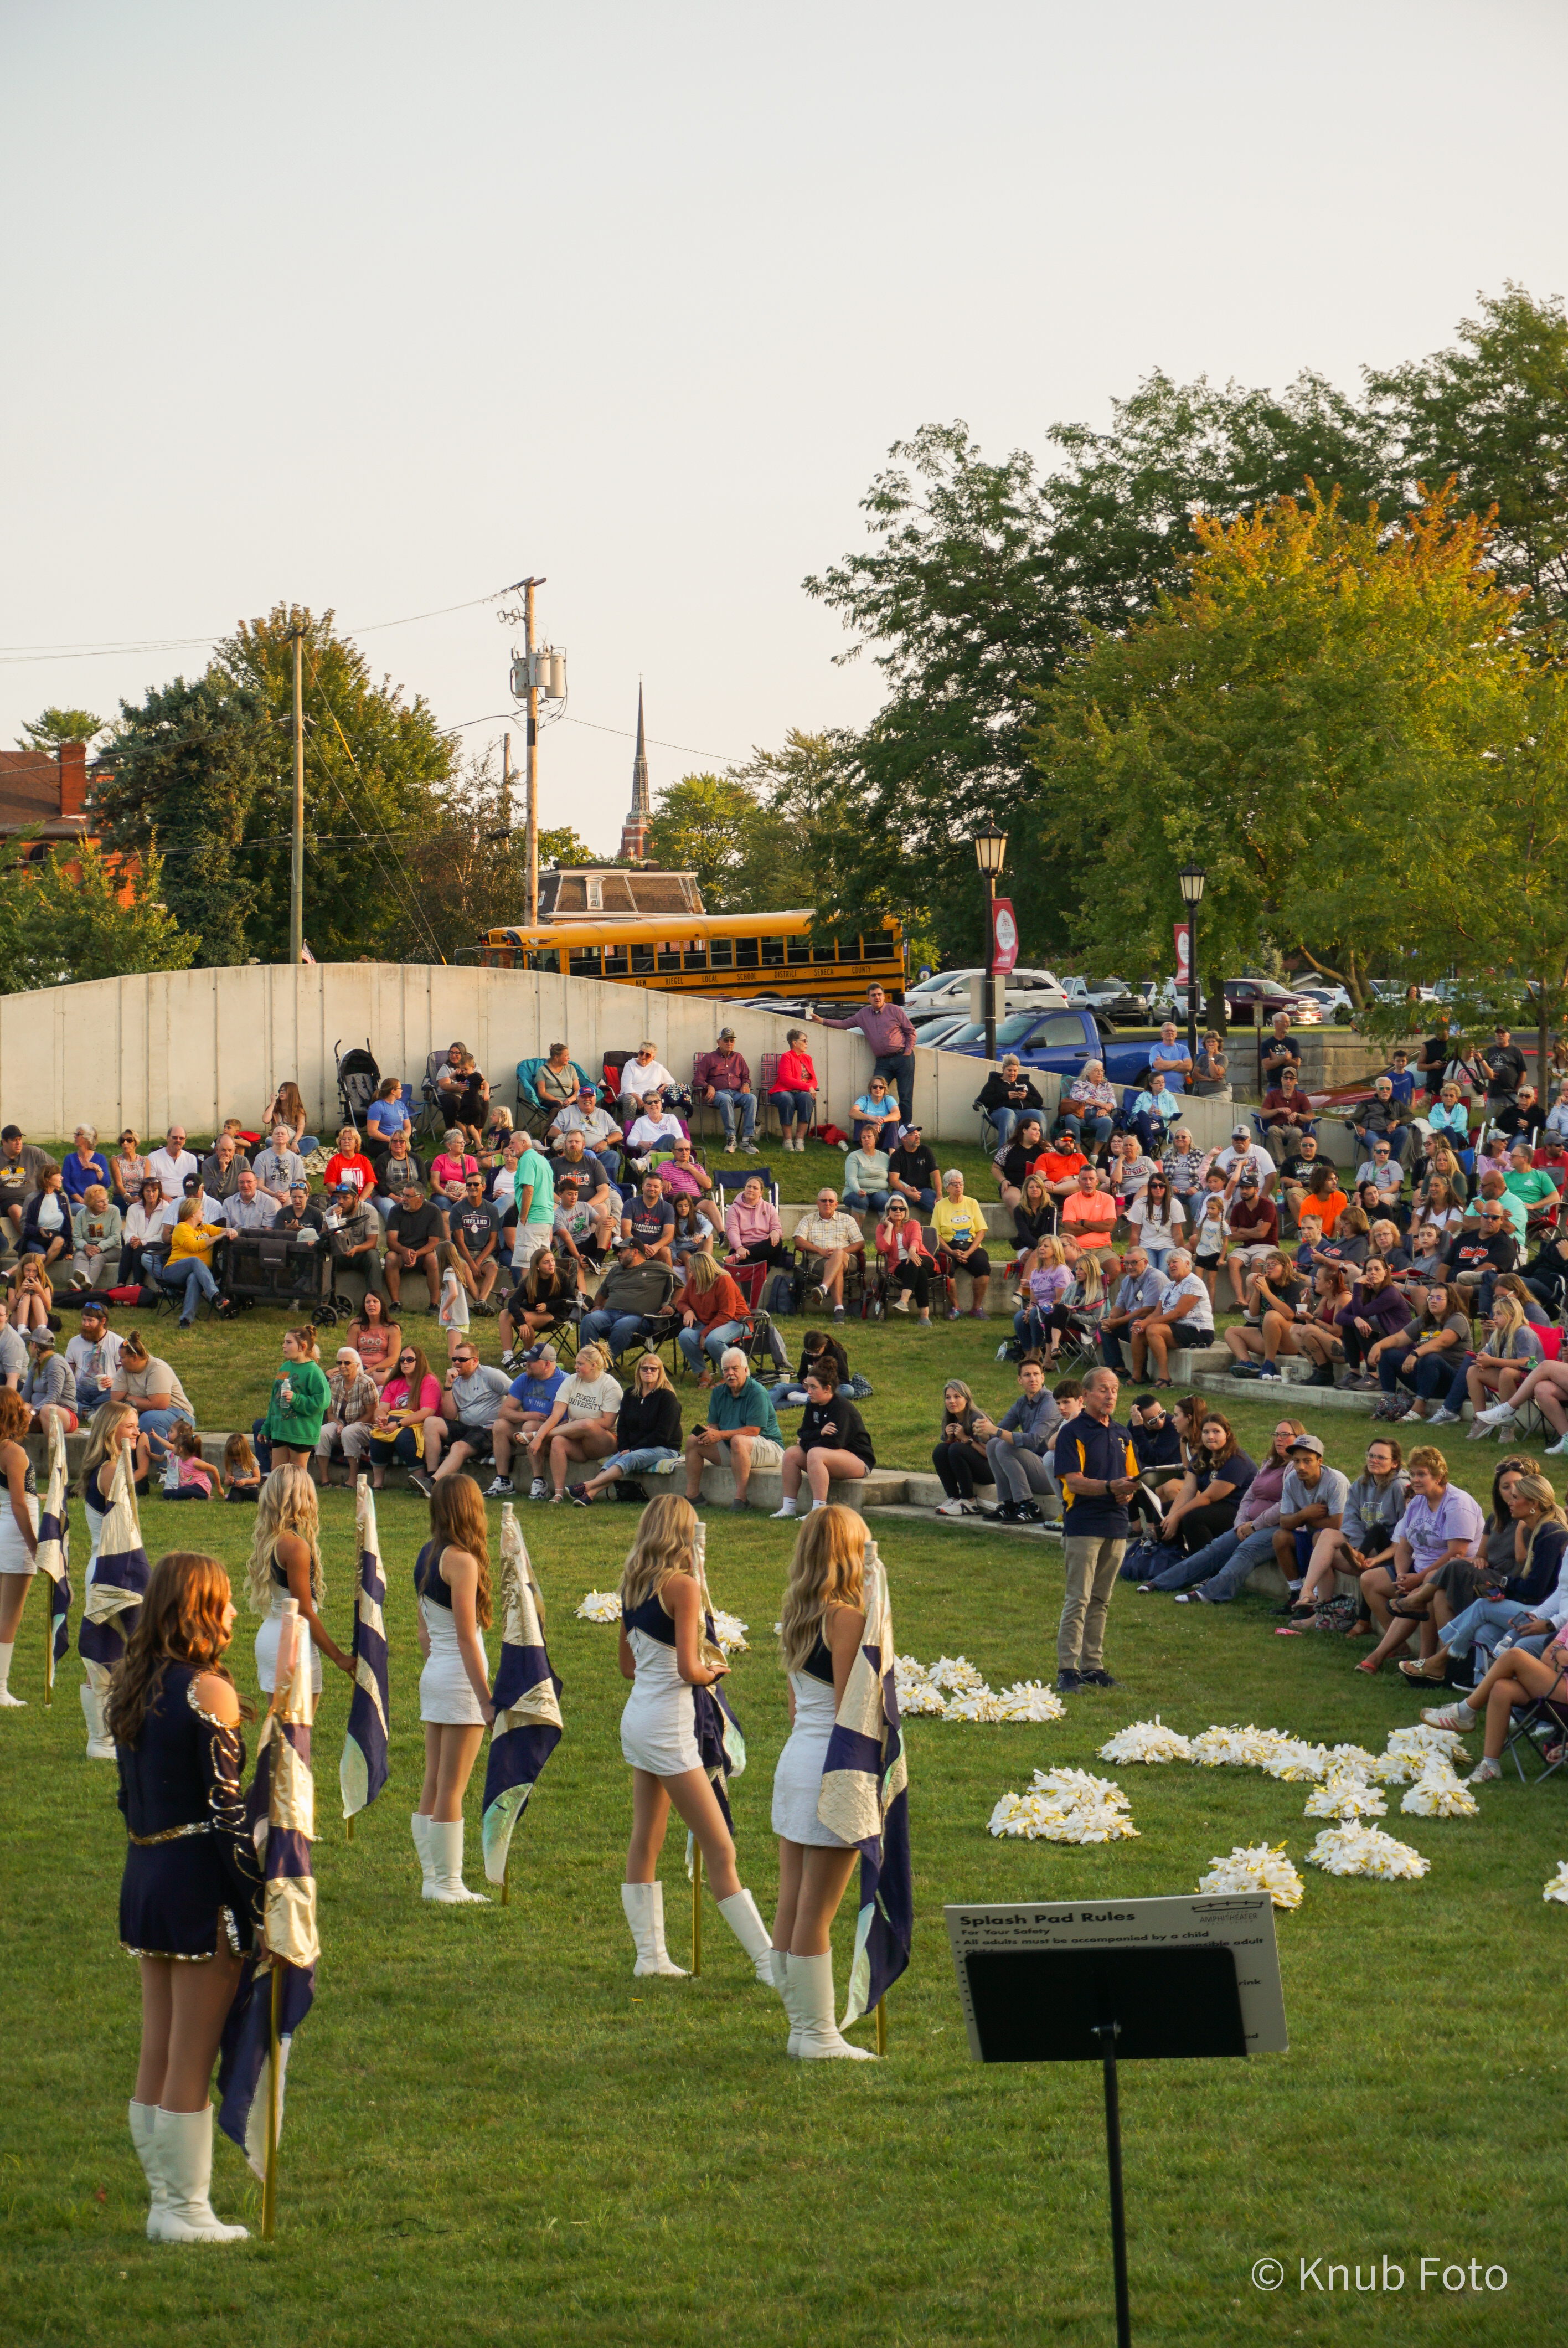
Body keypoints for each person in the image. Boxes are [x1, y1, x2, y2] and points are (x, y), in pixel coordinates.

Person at [108, 1550, 265, 2243]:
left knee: (159, 2045)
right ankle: (184, 2209)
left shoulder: (135, 1682)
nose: (233, 1613)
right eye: (224, 1602)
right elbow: (230, 1819)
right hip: (199, 1889)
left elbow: (127, 1799)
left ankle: (163, 2201)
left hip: (145, 1874)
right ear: (197, 1608)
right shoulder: (208, 1690)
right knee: (192, 2054)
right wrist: (262, 1904)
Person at [617, 1493, 776, 1986]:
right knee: (720, 1849)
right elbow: (690, 1667)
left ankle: (651, 1957)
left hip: (639, 1719)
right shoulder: (682, 1587)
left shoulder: (633, 1583)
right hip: (668, 1727)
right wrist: (714, 1672)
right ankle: (770, 1965)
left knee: (646, 1837)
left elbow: (627, 1666)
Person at [770, 1504, 886, 2058]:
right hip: (832, 1762)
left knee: (792, 1901)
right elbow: (851, 1707)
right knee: (816, 1911)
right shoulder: (845, 1617)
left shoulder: (802, 1607)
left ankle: (801, 2028)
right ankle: (817, 2035)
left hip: (798, 1760)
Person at [412, 1476, 496, 1903]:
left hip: (437, 1674)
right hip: (460, 1679)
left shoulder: (428, 1554)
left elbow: (425, 1634)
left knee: (435, 1780)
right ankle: (446, 1884)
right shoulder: (462, 1561)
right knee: (452, 1787)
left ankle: (433, 1877)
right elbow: (467, 1636)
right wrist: (486, 1700)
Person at [1142, 1415, 1308, 1599]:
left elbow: (1285, 1505)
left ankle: (1209, 1593)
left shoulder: (1294, 1468)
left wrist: (1254, 1526)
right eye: (1276, 1434)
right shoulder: (1270, 1464)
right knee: (1214, 1549)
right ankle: (1160, 1582)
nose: (1279, 1439)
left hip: (1278, 1526)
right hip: (1246, 1523)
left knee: (1244, 1551)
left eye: (1285, 1434)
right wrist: (1242, 1523)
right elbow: (1249, 1497)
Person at [1355, 1445, 1486, 1675]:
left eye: (1422, 1474)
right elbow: (1403, 1547)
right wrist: (1402, 1574)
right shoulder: (1417, 1502)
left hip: (1452, 1573)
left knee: (1426, 1589)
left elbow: (1457, 1553)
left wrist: (1417, 1580)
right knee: (1370, 1580)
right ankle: (1401, 1646)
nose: (1414, 1479)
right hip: (1418, 1571)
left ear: (1439, 1476)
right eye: (1413, 1473)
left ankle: (1391, 1656)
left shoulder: (1458, 1504)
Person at [1053, 1365, 1137, 1691]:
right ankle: (1067, 1669)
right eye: (1103, 1389)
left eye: (1114, 1389)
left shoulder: (1122, 1434)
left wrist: (1129, 1491)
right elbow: (1073, 1481)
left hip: (1116, 1526)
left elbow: (1133, 1477)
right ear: (1085, 1395)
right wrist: (1110, 1487)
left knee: (1101, 1599)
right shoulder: (1073, 1433)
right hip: (1084, 1525)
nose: (1110, 1395)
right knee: (1079, 1598)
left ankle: (1093, 1665)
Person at [246, 1462, 352, 1705]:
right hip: (292, 1644)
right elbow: (304, 1610)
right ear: (302, 1499)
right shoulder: (295, 1546)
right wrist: (338, 1657)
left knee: (280, 1735)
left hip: (274, 1636)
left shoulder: (271, 1539)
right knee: (296, 1737)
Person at [567, 1354, 684, 1504]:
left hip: (664, 1447)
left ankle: (586, 1486)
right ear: (639, 1371)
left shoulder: (668, 1398)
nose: (649, 1372)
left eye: (654, 1369)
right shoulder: (630, 1394)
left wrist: (633, 1449)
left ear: (660, 1372)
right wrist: (625, 1447)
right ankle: (589, 1495)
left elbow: (663, 1434)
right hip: (635, 1448)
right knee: (614, 1460)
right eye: (645, 1368)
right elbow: (622, 1426)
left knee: (629, 1458)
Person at [1141, 1409, 1256, 1559]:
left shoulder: (1237, 1460)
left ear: (1227, 1434)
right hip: (1213, 1506)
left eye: (1216, 1431)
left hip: (1238, 1510)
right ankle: (1174, 1558)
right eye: (1206, 1432)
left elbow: (1208, 1497)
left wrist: (1177, 1517)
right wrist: (1171, 1517)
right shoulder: (1201, 1456)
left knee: (1193, 1518)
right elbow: (1188, 1489)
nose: (1211, 1436)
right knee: (1163, 1514)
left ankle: (1206, 1566)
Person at [686, 1347, 785, 1508]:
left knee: (738, 1441)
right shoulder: (718, 1392)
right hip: (733, 1447)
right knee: (693, 1440)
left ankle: (741, 1499)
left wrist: (719, 1435)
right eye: (726, 1370)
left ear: (746, 1370)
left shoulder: (757, 1392)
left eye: (735, 1369)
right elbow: (714, 1428)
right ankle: (692, 1496)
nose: (730, 1373)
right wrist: (709, 1433)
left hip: (769, 1447)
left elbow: (753, 1431)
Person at [772, 1363, 874, 1518]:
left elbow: (835, 1442)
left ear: (827, 1389)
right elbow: (802, 1432)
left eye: (814, 1387)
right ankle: (788, 1508)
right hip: (831, 1455)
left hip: (858, 1460)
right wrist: (820, 1433)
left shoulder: (840, 1407)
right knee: (791, 1454)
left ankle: (818, 1511)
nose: (809, 1391)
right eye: (808, 1386)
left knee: (815, 1453)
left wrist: (807, 1442)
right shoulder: (812, 1404)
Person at [811, 982, 919, 1125]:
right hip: (883, 1062)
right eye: (873, 995)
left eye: (880, 995)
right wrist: (822, 1021)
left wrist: (907, 1052)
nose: (877, 998)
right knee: (875, 1093)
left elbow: (911, 1032)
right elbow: (845, 1024)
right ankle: (876, 1130)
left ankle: (905, 1132)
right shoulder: (863, 1014)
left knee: (905, 1097)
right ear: (868, 998)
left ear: (884, 996)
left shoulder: (895, 1010)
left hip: (903, 1059)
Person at [530, 1342, 623, 1501]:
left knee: (587, 1423)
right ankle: (558, 1494)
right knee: (558, 1441)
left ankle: (536, 1434)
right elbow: (556, 1416)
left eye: (580, 1364)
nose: (575, 1367)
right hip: (578, 1442)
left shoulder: (610, 1386)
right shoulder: (572, 1381)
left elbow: (607, 1423)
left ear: (594, 1366)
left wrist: (539, 1436)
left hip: (604, 1442)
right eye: (576, 1363)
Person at [976, 1355, 1062, 1522]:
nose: (1033, 1379)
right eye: (1027, 1375)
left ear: (1043, 1377)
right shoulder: (1022, 1403)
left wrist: (995, 1431)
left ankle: (1029, 1506)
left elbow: (1034, 1440)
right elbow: (998, 1431)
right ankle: (1010, 1504)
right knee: (994, 1443)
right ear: (1019, 1380)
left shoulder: (1050, 1402)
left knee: (1004, 1446)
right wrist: (983, 1432)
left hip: (1052, 1472)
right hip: (1033, 1467)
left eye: (1037, 1374)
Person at [0, 1386, 41, 1705]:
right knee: (9, 1615)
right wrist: (34, 1546)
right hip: (13, 1535)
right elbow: (18, 1503)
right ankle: (0, 1689)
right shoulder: (12, 1451)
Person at [580, 1242, 678, 1366]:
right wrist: (597, 1306)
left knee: (623, 1325)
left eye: (622, 1251)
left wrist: (672, 1305)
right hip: (609, 1314)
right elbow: (602, 1293)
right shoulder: (616, 1271)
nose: (619, 1254)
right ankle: (587, 1363)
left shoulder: (658, 1268)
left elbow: (682, 1287)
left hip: (639, 1319)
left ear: (635, 1252)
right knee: (589, 1320)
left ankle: (603, 1365)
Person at [1126, 1249, 1213, 1386]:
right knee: (1138, 1331)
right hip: (1177, 1328)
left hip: (1198, 1331)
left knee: (1153, 1330)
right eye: (1168, 1264)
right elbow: (1157, 1313)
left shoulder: (1193, 1282)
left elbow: (1179, 1313)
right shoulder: (1169, 1286)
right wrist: (1143, 1323)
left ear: (1187, 1263)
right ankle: (1138, 1376)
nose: (1171, 1266)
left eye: (1175, 1262)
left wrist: (1149, 1324)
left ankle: (1165, 1378)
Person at [430, 1340, 512, 1484]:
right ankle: (429, 1473)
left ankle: (434, 1483)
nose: (457, 1363)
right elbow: (450, 1416)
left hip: (488, 1430)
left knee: (458, 1446)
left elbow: (516, 1393)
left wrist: (503, 1420)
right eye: (454, 1359)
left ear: (475, 1361)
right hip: (467, 1428)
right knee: (431, 1423)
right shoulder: (454, 1379)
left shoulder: (490, 1375)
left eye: (462, 1360)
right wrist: (448, 1385)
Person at [110, 1332, 194, 1464]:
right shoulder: (124, 1371)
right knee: (118, 1418)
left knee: (148, 1419)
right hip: (148, 1412)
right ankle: (123, 1465)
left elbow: (160, 1404)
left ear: (135, 1358)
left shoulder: (157, 1369)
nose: (120, 1361)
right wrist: (142, 1402)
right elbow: (115, 1399)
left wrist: (129, 1397)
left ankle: (165, 1467)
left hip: (179, 1415)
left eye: (123, 1357)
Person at [367, 1344, 442, 1491]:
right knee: (378, 1434)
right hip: (395, 1422)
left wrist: (399, 1424)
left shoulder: (429, 1381)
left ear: (419, 1361)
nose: (405, 1363)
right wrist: (381, 1419)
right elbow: (382, 1408)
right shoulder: (394, 1383)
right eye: (402, 1360)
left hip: (421, 1425)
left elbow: (426, 1412)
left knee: (404, 1437)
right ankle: (377, 1484)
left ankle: (420, 1481)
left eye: (410, 1359)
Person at [1333, 1258, 1416, 1384]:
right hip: (1380, 1337)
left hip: (1399, 1343)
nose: (1373, 1273)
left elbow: (1360, 1314)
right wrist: (1355, 1319)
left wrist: (1357, 1286)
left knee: (1363, 1325)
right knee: (1352, 1323)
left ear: (1385, 1272)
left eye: (1377, 1269)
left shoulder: (1391, 1293)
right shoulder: (1368, 1292)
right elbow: (1339, 1317)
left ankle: (1373, 1375)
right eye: (1369, 1270)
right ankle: (1354, 1373)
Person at [673, 1253, 750, 1384]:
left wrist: (705, 1333)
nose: (690, 1273)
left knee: (713, 1340)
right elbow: (682, 1302)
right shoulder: (694, 1282)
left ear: (701, 1270)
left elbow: (727, 1313)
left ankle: (729, 1376)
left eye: (692, 1269)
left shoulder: (724, 1281)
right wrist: (688, 1311)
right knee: (685, 1336)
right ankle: (704, 1374)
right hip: (709, 1322)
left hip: (736, 1321)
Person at [794, 1188, 866, 1325]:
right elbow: (798, 1240)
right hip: (820, 1262)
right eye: (824, 1201)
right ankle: (839, 1310)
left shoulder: (847, 1220)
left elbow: (860, 1243)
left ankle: (823, 1288)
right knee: (835, 1268)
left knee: (838, 1254)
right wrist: (820, 1251)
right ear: (818, 1203)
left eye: (831, 1201)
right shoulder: (808, 1220)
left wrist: (841, 1252)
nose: (827, 1203)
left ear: (836, 1204)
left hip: (848, 1260)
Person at [155, 1198, 227, 1327]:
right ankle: (215, 1295)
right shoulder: (181, 1228)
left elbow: (221, 1230)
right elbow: (193, 1246)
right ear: (193, 1213)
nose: (203, 1213)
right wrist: (217, 1238)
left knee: (194, 1277)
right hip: (173, 1271)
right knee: (195, 1260)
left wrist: (229, 1232)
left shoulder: (205, 1228)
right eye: (201, 1210)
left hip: (197, 1273)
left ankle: (186, 1320)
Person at [314, 1347, 380, 1487]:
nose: (342, 1366)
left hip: (365, 1426)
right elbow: (330, 1413)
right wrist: (339, 1425)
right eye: (339, 1363)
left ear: (357, 1365)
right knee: (322, 1432)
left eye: (347, 1363)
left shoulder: (366, 1383)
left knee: (349, 1432)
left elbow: (371, 1415)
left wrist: (346, 1427)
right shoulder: (333, 1383)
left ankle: (353, 1480)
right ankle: (325, 1480)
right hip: (341, 1423)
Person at [931, 1169, 992, 1317]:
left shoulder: (972, 1203)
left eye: (961, 1183)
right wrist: (952, 1252)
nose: (959, 1186)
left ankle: (976, 1308)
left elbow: (981, 1231)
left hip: (971, 1246)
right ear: (947, 1188)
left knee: (983, 1267)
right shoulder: (940, 1206)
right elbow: (936, 1234)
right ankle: (956, 1307)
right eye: (954, 1184)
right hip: (949, 1246)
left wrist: (969, 1252)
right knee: (946, 1268)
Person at [931, 1378, 996, 1516]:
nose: (952, 1401)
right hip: (972, 1468)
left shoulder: (977, 1420)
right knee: (940, 1450)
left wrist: (966, 1439)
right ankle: (954, 1498)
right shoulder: (951, 1418)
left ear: (967, 1399)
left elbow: (990, 1454)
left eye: (957, 1397)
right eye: (948, 1398)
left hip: (992, 1471)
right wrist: (950, 1439)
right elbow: (946, 1455)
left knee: (956, 1449)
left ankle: (969, 1501)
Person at [1098, 1248, 1163, 1373]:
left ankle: (1140, 1374)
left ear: (1145, 1262)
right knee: (1104, 1323)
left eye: (1134, 1263)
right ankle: (1117, 1368)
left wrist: (1117, 1323)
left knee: (1134, 1323)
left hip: (1153, 1324)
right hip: (1135, 1321)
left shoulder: (1155, 1278)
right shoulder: (1127, 1280)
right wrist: (1111, 1319)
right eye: (1126, 1264)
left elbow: (1148, 1310)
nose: (1129, 1267)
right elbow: (1119, 1307)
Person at [384, 1182, 445, 1314]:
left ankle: (434, 1305)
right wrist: (404, 1251)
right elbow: (391, 1242)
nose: (403, 1199)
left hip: (423, 1255)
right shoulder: (395, 1211)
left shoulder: (433, 1211)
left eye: (408, 1196)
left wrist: (416, 1254)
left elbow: (434, 1243)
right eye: (403, 1195)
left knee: (432, 1258)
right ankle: (396, 1303)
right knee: (390, 1257)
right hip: (401, 1253)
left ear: (420, 1198)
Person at [695, 1028, 759, 1153]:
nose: (729, 1043)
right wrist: (709, 1087)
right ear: (719, 1042)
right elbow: (697, 1079)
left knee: (752, 1098)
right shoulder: (709, 1058)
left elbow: (746, 1077)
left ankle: (746, 1140)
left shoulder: (739, 1057)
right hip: (719, 1094)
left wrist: (746, 1084)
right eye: (726, 1041)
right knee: (726, 1098)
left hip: (737, 1093)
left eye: (731, 1041)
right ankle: (731, 1139)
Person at [874, 1198, 936, 1325]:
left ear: (906, 1211)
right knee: (921, 1273)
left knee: (913, 1261)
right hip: (898, 1265)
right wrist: (890, 1227)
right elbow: (882, 1249)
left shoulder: (913, 1224)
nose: (898, 1211)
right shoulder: (882, 1228)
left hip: (922, 1257)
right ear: (888, 1211)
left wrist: (912, 1251)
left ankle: (904, 1301)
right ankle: (925, 1318)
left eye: (902, 1209)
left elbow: (916, 1239)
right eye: (894, 1208)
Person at [447, 1171, 502, 1312]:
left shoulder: (492, 1209)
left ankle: (480, 1302)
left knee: (493, 1268)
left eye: (476, 1184)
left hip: (483, 1253)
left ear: (484, 1187)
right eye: (469, 1184)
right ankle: (481, 1304)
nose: (472, 1187)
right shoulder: (457, 1209)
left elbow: (493, 1241)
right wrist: (472, 1264)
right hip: (462, 1252)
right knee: (465, 1268)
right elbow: (459, 1242)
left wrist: (478, 1262)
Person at [66, 1297, 123, 1415]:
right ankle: (90, 1413)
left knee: (118, 1396)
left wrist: (113, 1381)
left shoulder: (117, 1342)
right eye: (84, 1320)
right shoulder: (74, 1342)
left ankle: (83, 1411)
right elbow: (68, 1372)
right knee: (64, 1395)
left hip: (105, 1391)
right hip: (80, 1390)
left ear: (103, 1321)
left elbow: (124, 1374)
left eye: (90, 1321)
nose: (85, 1324)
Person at [767, 1028, 819, 1152]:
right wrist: (808, 1087)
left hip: (801, 1093)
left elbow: (814, 1080)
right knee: (787, 1099)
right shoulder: (787, 1057)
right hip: (782, 1091)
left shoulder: (808, 1059)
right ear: (795, 1043)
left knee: (807, 1098)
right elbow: (786, 1080)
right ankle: (788, 1140)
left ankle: (800, 1140)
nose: (807, 1043)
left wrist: (810, 1087)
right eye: (804, 1041)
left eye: (807, 1041)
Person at [979, 1056, 1046, 1149]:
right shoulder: (994, 1083)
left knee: (1039, 1115)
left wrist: (1026, 1096)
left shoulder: (1024, 1082)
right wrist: (1006, 1095)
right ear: (1003, 1069)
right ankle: (1005, 1154)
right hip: (1001, 1112)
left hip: (1024, 1112)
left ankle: (1038, 1152)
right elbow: (983, 1100)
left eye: (1015, 1071)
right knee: (1009, 1114)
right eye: (1009, 1070)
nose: (1012, 1073)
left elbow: (1039, 1101)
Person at [23, 1324, 78, 1435]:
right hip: (38, 1411)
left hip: (65, 1414)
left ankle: (54, 1451)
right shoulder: (36, 1363)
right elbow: (26, 1393)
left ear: (34, 1345)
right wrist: (14, 1406)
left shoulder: (56, 1363)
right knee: (20, 1409)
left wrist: (33, 1412)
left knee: (47, 1410)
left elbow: (54, 1396)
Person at [724, 1175, 786, 1271]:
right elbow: (732, 1230)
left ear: (761, 1193)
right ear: (745, 1188)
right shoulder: (734, 1209)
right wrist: (739, 1248)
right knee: (750, 1265)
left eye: (755, 1188)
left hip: (764, 1249)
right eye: (749, 1187)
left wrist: (775, 1231)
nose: (751, 1190)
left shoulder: (769, 1208)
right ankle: (740, 1256)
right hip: (742, 1248)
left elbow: (777, 1227)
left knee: (777, 1242)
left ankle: (736, 1257)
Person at [1126, 1173, 1183, 1275]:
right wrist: (1131, 1256)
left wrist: (1182, 1254)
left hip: (1168, 1246)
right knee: (1149, 1273)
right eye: (1154, 1186)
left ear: (1166, 1187)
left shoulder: (1174, 1204)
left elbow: (1178, 1233)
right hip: (1146, 1246)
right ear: (1149, 1188)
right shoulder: (1139, 1204)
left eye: (1162, 1185)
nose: (1158, 1188)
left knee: (1162, 1273)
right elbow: (1135, 1233)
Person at [1058, 1063, 1118, 1157]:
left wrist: (1105, 1110)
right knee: (1070, 1118)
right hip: (1080, 1115)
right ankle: (1079, 1152)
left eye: (1101, 1071)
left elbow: (1112, 1101)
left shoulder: (1107, 1085)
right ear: (1088, 1072)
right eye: (1096, 1070)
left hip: (1097, 1116)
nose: (1100, 1073)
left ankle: (1095, 1154)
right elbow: (1081, 1097)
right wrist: (1102, 1105)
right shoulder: (1080, 1084)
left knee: (1107, 1122)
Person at [70, 1184, 123, 1289]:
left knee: (97, 1258)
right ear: (92, 1204)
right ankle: (83, 1281)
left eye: (106, 1200)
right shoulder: (82, 1214)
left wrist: (99, 1247)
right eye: (100, 1202)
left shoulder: (114, 1211)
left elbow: (115, 1236)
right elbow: (77, 1238)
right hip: (88, 1247)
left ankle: (86, 1284)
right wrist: (86, 1247)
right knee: (80, 1255)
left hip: (111, 1249)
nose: (105, 1203)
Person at [19, 1165, 70, 1274]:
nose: (62, 1178)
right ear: (47, 1179)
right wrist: (39, 1231)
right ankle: (35, 1274)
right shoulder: (32, 1198)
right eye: (58, 1175)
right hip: (36, 1241)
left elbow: (69, 1225)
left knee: (59, 1240)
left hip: (56, 1245)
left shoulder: (63, 1197)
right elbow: (24, 1226)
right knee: (39, 1255)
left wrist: (70, 1250)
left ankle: (35, 1273)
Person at [993, 1114, 1048, 1216]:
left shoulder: (1045, 1148)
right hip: (1014, 1186)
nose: (1038, 1133)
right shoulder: (1009, 1148)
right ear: (1024, 1130)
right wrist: (1003, 1180)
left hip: (1038, 1187)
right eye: (1034, 1129)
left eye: (1039, 1130)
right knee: (1016, 1204)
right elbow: (995, 1168)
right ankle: (1024, 1230)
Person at [1059, 1164, 1116, 1258]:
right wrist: (1098, 1227)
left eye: (1091, 1179)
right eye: (1084, 1179)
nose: (1088, 1183)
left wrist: (1083, 1222)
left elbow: (1109, 1226)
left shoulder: (1108, 1199)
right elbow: (1070, 1230)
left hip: (1103, 1248)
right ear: (1079, 1182)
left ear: (1097, 1181)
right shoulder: (1070, 1201)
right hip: (1077, 1248)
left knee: (1115, 1268)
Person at [347, 1294, 400, 1392]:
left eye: (375, 1302)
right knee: (332, 1374)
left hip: (381, 1369)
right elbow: (350, 1353)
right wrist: (357, 1370)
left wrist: (368, 1372)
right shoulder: (356, 1327)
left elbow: (394, 1358)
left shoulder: (392, 1328)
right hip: (359, 1366)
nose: (371, 1305)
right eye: (368, 1302)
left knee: (381, 1378)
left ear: (382, 1305)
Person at [1260, 1064, 1311, 1165]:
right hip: (1278, 1128)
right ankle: (1283, 1163)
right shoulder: (1273, 1095)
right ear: (1281, 1079)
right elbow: (1262, 1113)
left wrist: (1298, 1115)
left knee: (1298, 1133)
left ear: (1296, 1081)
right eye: (1286, 1078)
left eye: (1291, 1079)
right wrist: (1278, 1110)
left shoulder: (1302, 1097)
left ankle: (1288, 1162)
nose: (1288, 1081)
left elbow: (1311, 1117)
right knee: (1272, 1130)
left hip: (1294, 1128)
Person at [885, 1120, 938, 1215]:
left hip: (924, 1191)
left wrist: (939, 1195)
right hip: (903, 1190)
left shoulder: (926, 1151)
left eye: (917, 1133)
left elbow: (936, 1174)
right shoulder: (897, 1155)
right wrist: (908, 1192)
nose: (917, 1136)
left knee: (939, 1208)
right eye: (913, 1134)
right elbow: (893, 1181)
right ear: (904, 1139)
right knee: (895, 1206)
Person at [617, 1042, 678, 1122]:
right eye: (641, 1053)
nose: (643, 1057)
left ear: (653, 1057)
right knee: (631, 1101)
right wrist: (639, 1100)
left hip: (649, 1096)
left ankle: (649, 1130)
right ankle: (629, 1130)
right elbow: (626, 1086)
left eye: (647, 1055)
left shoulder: (657, 1067)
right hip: (631, 1095)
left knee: (652, 1102)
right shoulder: (630, 1065)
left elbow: (672, 1082)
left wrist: (665, 1085)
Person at [1127, 1069, 1184, 1155]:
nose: (1161, 1085)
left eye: (1163, 1082)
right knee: (1142, 1114)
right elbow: (1134, 1113)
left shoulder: (1169, 1097)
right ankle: (1150, 1142)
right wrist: (1148, 1112)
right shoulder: (1143, 1096)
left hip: (1159, 1124)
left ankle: (1148, 1152)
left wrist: (1162, 1113)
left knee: (1140, 1128)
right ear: (1151, 1084)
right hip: (1145, 1122)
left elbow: (1176, 1114)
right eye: (1158, 1083)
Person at [841, 1126, 891, 1221]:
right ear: (860, 1141)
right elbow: (851, 1178)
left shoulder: (885, 1157)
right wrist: (858, 1190)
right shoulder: (853, 1156)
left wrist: (906, 1187)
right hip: (855, 1192)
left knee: (885, 1201)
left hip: (879, 1191)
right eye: (863, 1137)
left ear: (875, 1139)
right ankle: (857, 1235)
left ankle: (885, 1234)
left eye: (869, 1137)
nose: (866, 1139)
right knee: (861, 1201)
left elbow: (893, 1177)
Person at [848, 1073, 902, 1150]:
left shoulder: (888, 1099)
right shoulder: (864, 1100)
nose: (878, 1089)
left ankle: (892, 1154)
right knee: (859, 1116)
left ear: (885, 1090)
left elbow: (897, 1114)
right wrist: (872, 1118)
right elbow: (852, 1113)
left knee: (893, 1121)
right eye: (875, 1087)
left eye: (881, 1087)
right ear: (871, 1088)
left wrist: (880, 1121)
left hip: (883, 1136)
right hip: (867, 1136)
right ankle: (862, 1149)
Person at [365, 1076, 412, 1160]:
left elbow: (408, 1127)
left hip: (399, 1140)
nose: (402, 1090)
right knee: (398, 1151)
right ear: (393, 1091)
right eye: (400, 1088)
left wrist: (404, 1139)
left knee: (404, 1151)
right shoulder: (377, 1107)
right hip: (381, 1142)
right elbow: (372, 1132)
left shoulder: (401, 1105)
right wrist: (393, 1140)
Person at [1259, 1012, 1301, 1094]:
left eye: (1289, 1021)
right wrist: (1285, 1058)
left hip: (1292, 1085)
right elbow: (1267, 1066)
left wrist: (1277, 1060)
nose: (1288, 1024)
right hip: (1274, 1086)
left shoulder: (1293, 1043)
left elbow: (1296, 1064)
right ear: (1276, 1023)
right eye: (1285, 1022)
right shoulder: (1266, 1044)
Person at [1149, 1020, 1195, 1089]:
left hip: (1179, 1092)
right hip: (1160, 1093)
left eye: (1172, 1031)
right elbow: (1160, 1066)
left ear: (1176, 1034)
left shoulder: (1183, 1049)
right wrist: (1179, 1062)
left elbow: (1188, 1067)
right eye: (1167, 1031)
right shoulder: (1156, 1049)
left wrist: (1165, 1064)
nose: (1170, 1033)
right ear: (1162, 1034)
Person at [1192, 1031, 1229, 1097]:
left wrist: (1210, 1057)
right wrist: (1209, 1079)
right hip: (1202, 1094)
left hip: (1218, 1093)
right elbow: (1195, 1075)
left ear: (1218, 1043)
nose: (1210, 1044)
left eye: (1213, 1041)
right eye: (1208, 1042)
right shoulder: (1202, 1057)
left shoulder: (1223, 1058)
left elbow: (1214, 1074)